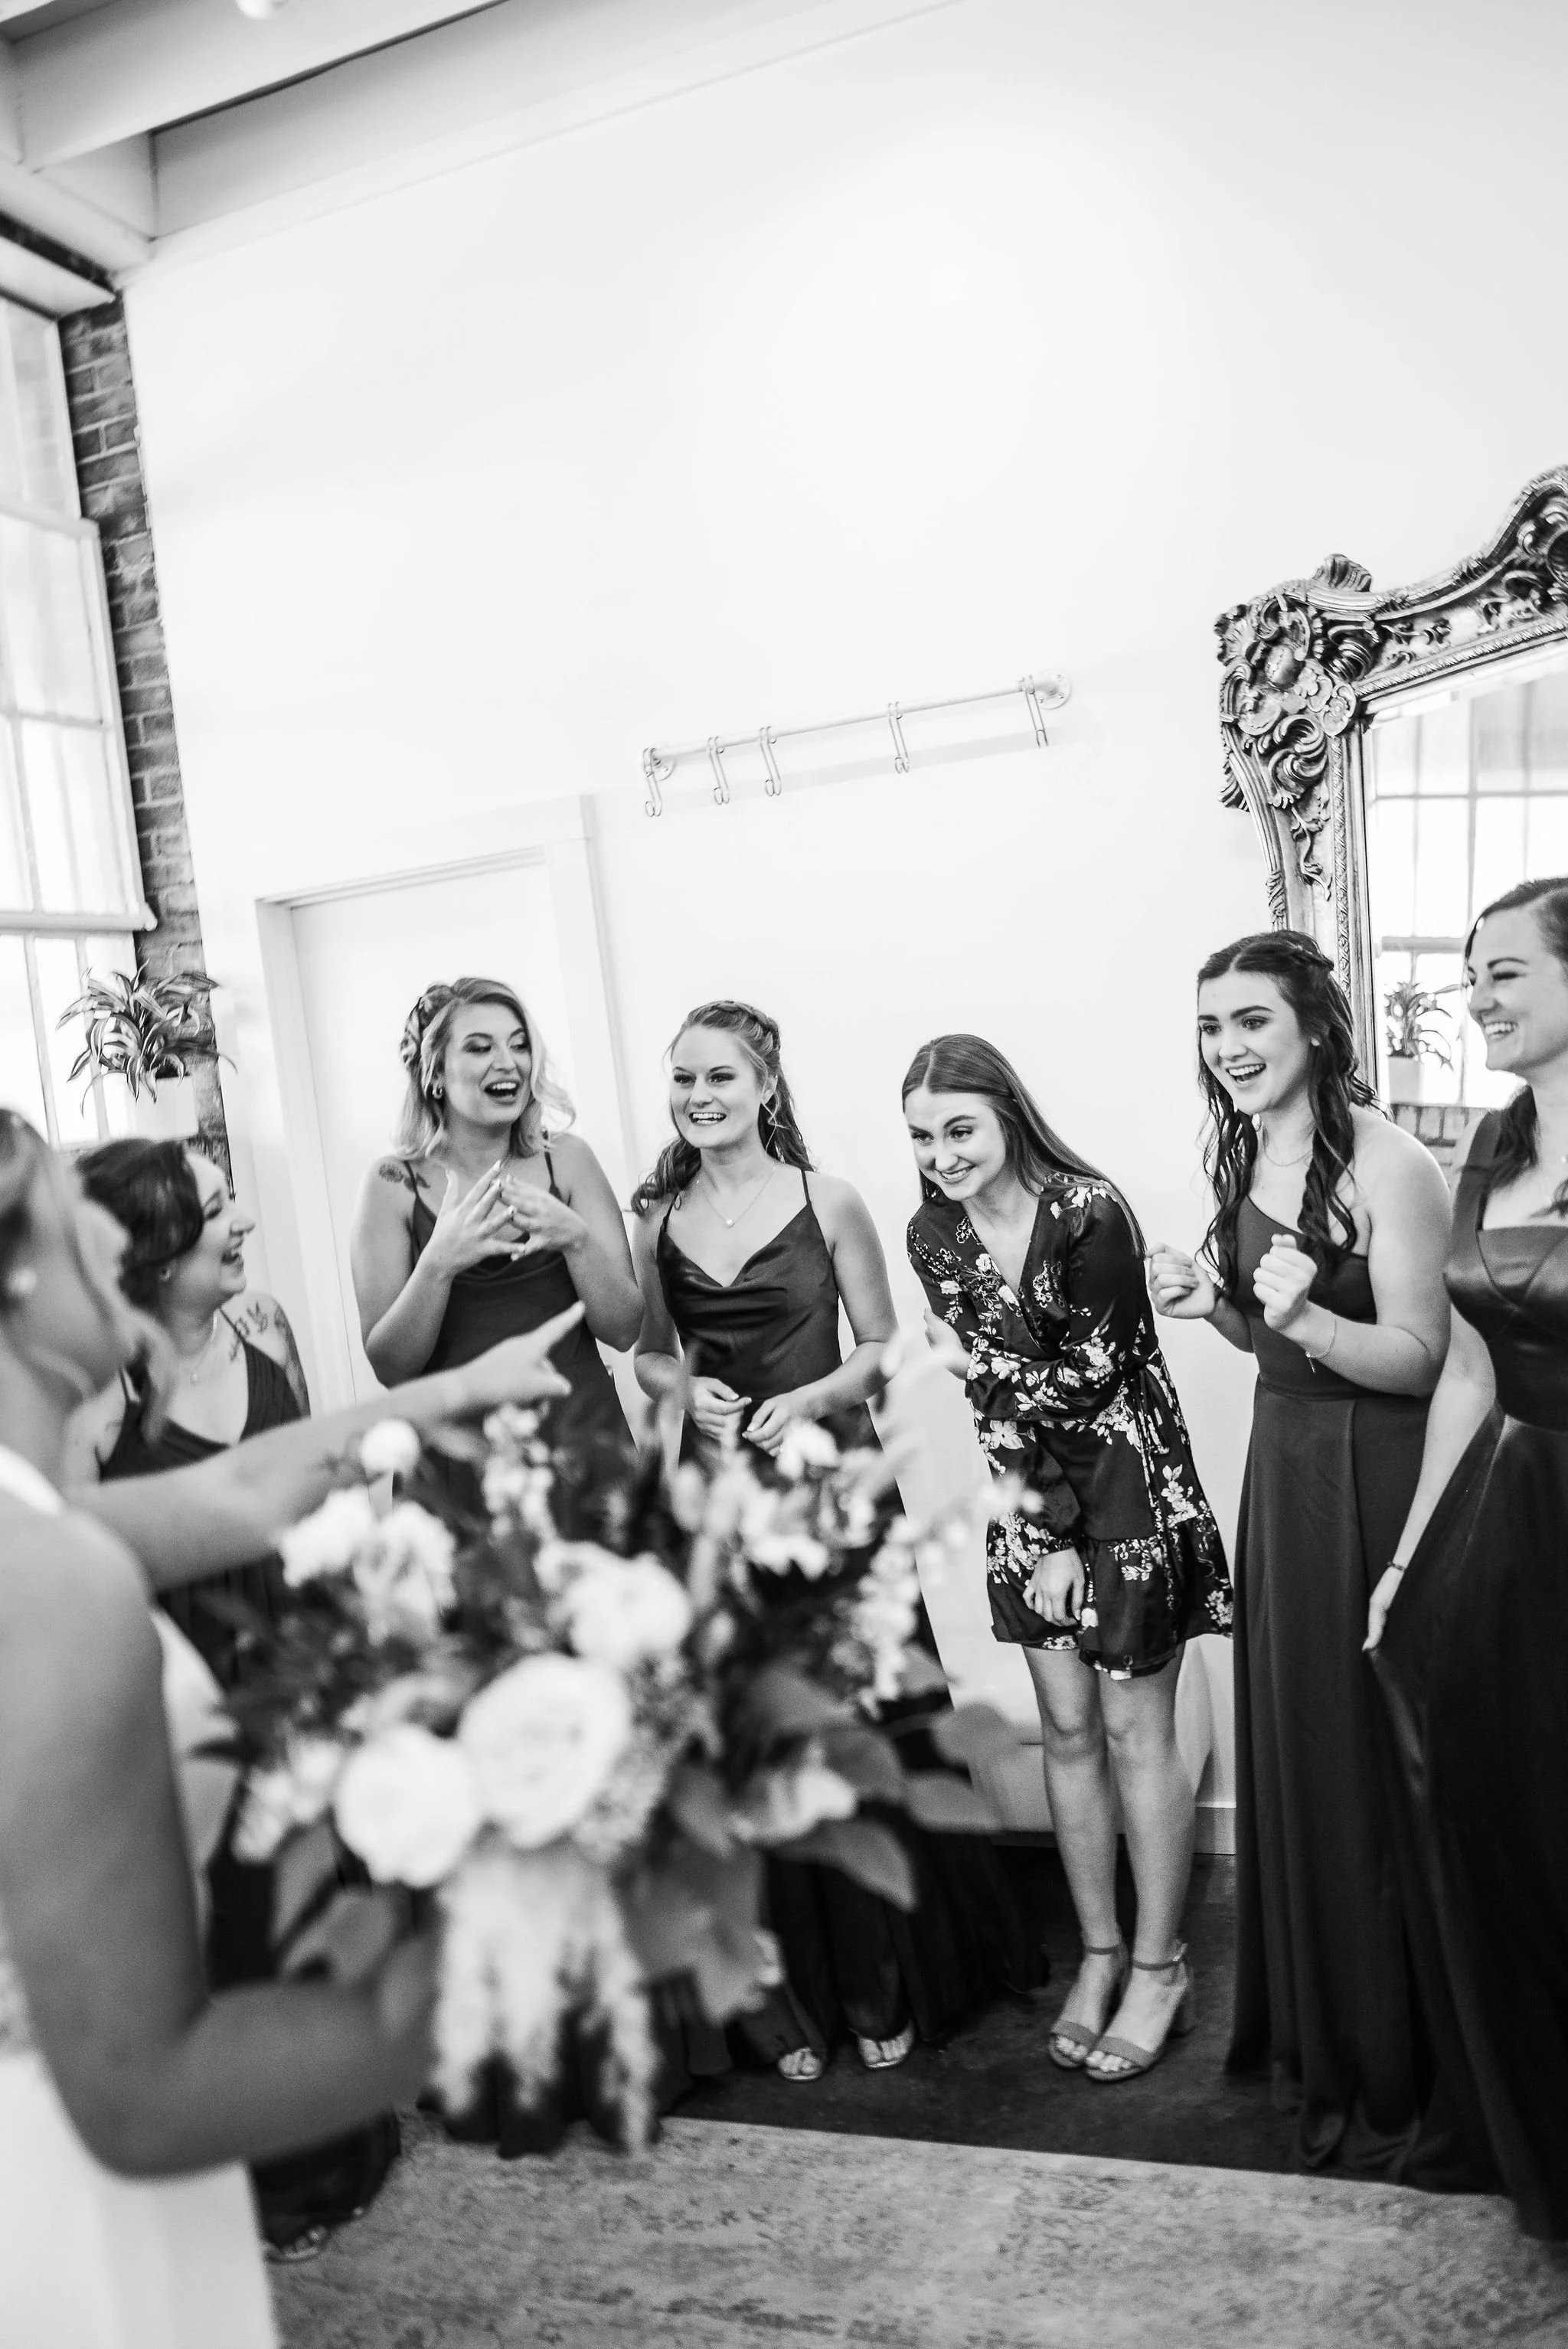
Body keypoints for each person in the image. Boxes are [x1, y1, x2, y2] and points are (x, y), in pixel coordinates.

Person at [0, 1109, 581, 2346]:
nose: (113, 1219)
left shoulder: (30, 1517)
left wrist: (452, 1390)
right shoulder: (46, 1578)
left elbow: (236, 1485)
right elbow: (150, 2091)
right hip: (58, 2186)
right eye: (69, 1203)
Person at [634, 1000, 1032, 2081]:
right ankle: (784, 2004)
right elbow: (648, 1358)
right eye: (682, 1080)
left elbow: (881, 1347)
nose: (698, 1097)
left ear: (766, 1086)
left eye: (719, 1077)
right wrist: (691, 1393)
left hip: (830, 1499)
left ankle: (884, 1979)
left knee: (855, 1731)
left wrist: (809, 1400)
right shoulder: (657, 1215)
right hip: (716, 1506)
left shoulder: (829, 1200)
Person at [1148, 931, 1451, 2174]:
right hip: (1280, 1463)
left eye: (1251, 1020)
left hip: (1367, 1476)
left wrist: (1308, 1314)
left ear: (1314, 1029)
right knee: (1301, 1737)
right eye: (1212, 1022)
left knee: (1364, 1751)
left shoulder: (1391, 1160)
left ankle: (1396, 2043)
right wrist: (1212, 1300)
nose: (1227, 1045)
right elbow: (1270, 1345)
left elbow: (1418, 1356)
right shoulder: (1246, 1146)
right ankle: (1319, 2023)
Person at [906, 1034, 1229, 2084]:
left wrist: (979, 1366)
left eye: (959, 1129)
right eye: (922, 1137)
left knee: (1139, 1736)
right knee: (1066, 1728)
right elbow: (984, 1393)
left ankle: (1160, 1965)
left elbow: (1093, 1376)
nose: (942, 1154)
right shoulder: (933, 1234)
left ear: (1008, 1113)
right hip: (1027, 1503)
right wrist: (1041, 1537)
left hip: (1133, 1495)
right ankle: (1098, 1956)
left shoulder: (1089, 1210)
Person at [1367, 877, 1568, 2240]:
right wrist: (1404, 1553)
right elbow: (1468, 1368)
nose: (1475, 997)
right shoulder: (1489, 1141)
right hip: (1502, 1515)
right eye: (1468, 972)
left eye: (1499, 971)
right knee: (1502, 1820)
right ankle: (1533, 2119)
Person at [350, 977, 641, 1465]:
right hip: (460, 1452)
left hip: (583, 1441)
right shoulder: (392, 1184)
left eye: (520, 1045)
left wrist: (577, 1240)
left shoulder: (567, 1160)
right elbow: (391, 1368)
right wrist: (437, 1264)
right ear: (435, 1072)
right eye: (480, 1047)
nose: (508, 1062)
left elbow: (624, 1330)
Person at [68, 1141, 305, 1684]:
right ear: (161, 1253)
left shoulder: (264, 1328)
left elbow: (310, 1489)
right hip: (183, 1683)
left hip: (303, 1652)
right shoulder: (95, 1397)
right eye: (217, 1210)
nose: (245, 1222)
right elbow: (86, 1586)